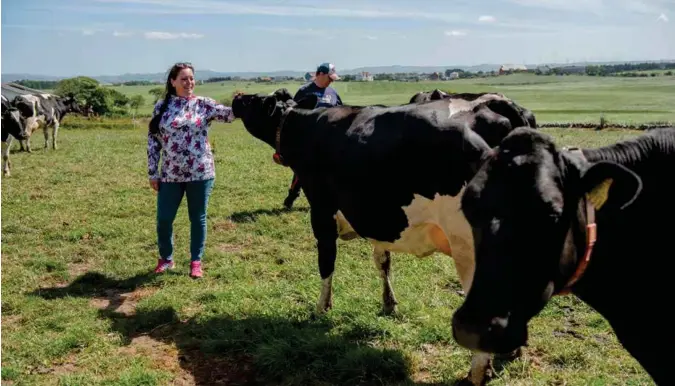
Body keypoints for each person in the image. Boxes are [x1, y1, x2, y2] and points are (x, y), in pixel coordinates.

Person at [147, 62, 235, 278]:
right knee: (164, 219)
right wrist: (153, 172)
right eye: (184, 79)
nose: (189, 83)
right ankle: (166, 259)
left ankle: (196, 261)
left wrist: (246, 102)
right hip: (170, 173)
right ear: (173, 81)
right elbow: (153, 141)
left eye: (191, 78)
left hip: (200, 172)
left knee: (198, 218)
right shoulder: (162, 106)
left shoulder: (204, 104)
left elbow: (230, 115)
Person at [282, 62, 343, 209]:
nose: (331, 81)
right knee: (304, 169)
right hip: (308, 140)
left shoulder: (333, 93)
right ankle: (292, 196)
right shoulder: (304, 91)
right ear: (320, 74)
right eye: (329, 77)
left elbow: (341, 111)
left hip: (329, 139)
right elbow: (293, 114)